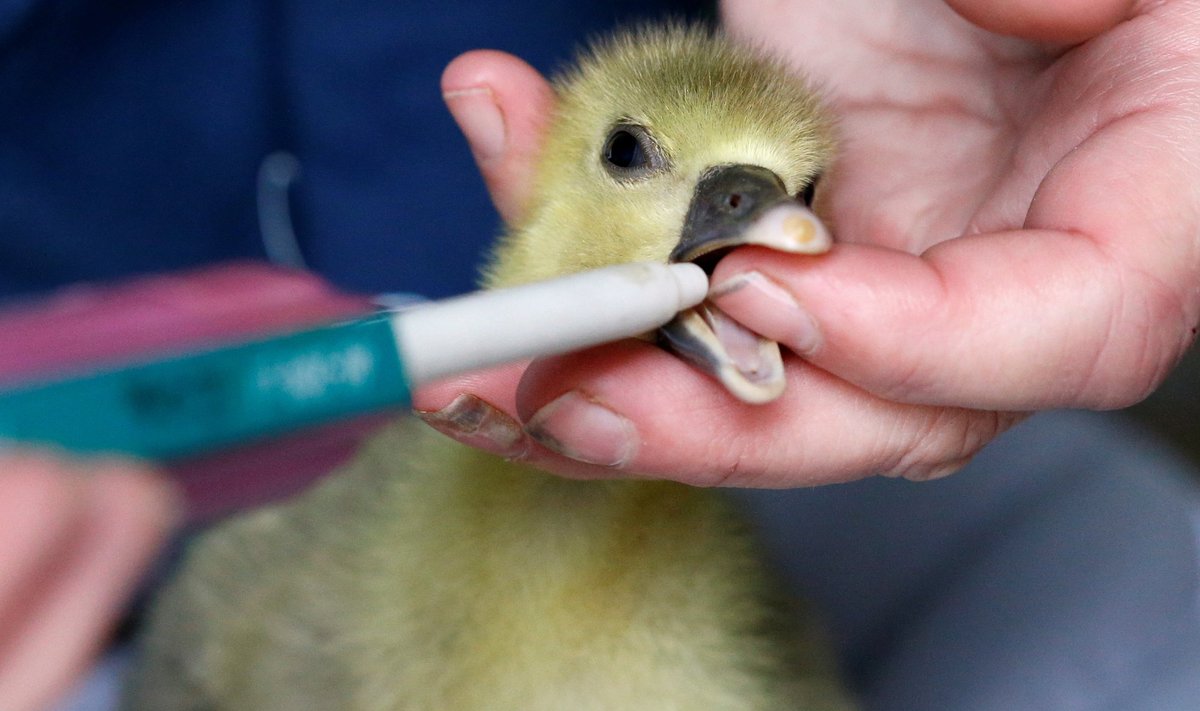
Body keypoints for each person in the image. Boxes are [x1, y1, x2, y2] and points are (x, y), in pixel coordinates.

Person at [3, 1, 1199, 709]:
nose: (758, 216)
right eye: (639, 161)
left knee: (1147, 581)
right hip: (89, 460)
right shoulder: (260, 603)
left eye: (790, 196)